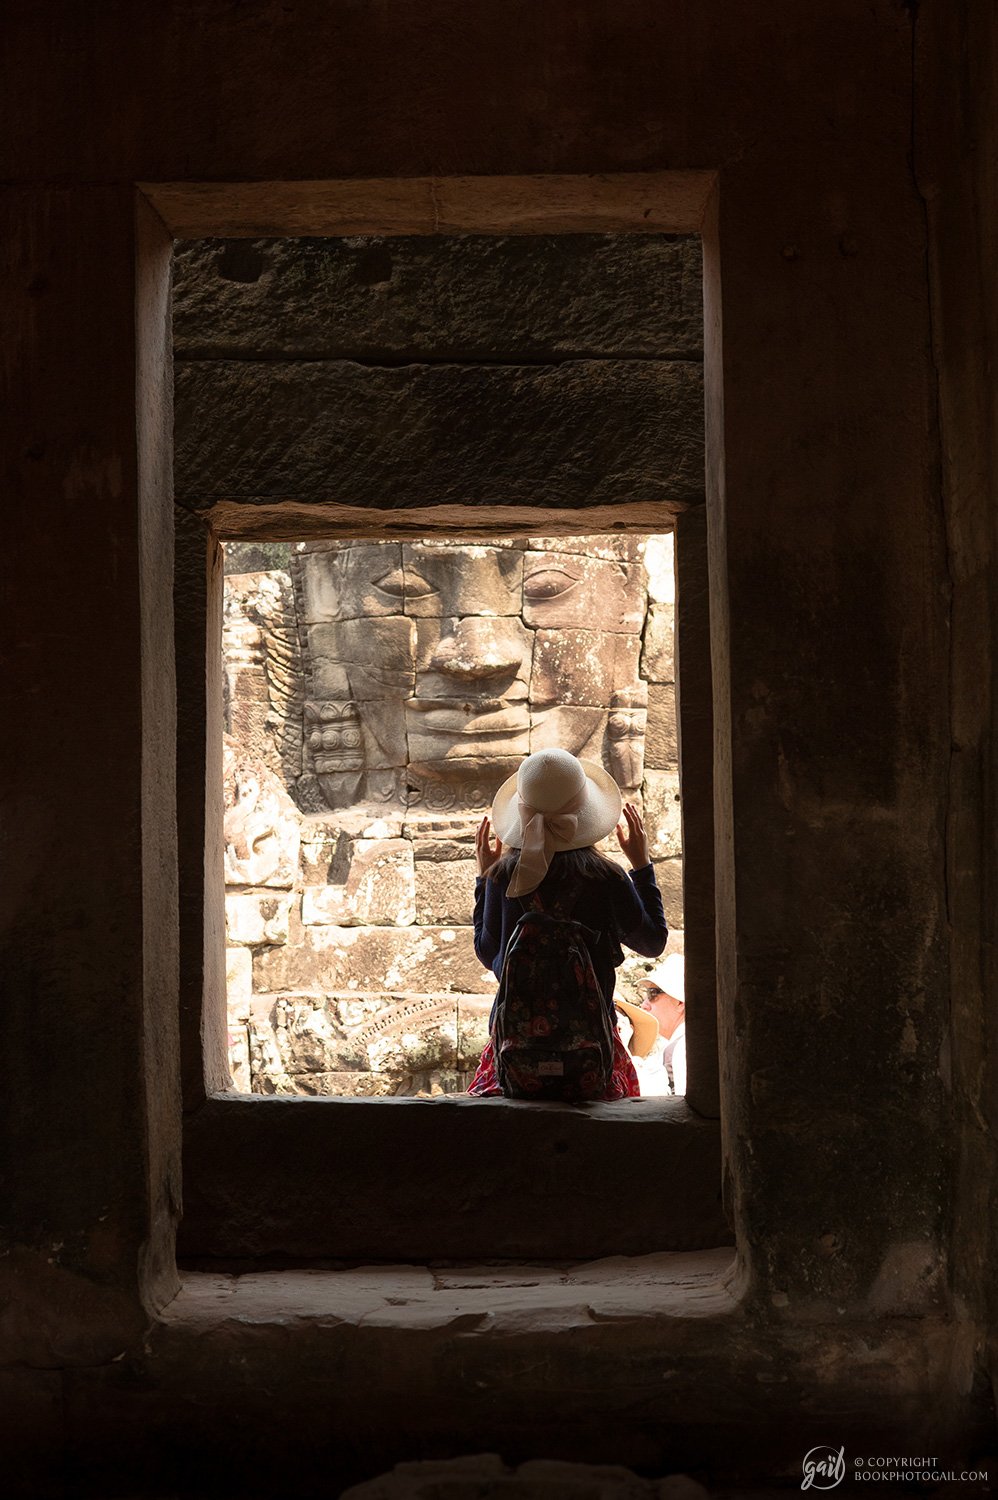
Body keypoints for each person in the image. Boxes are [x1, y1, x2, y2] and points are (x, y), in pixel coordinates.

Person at [467, 747, 668, 1098]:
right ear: (584, 811)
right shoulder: (607, 878)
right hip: (590, 1045)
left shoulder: (504, 878)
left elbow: (489, 956)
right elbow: (652, 943)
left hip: (517, 1049)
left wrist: (484, 879)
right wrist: (641, 866)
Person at [638, 953, 686, 1095]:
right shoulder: (679, 1045)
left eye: (652, 994)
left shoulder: (682, 1049)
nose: (644, 1005)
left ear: (680, 1003)